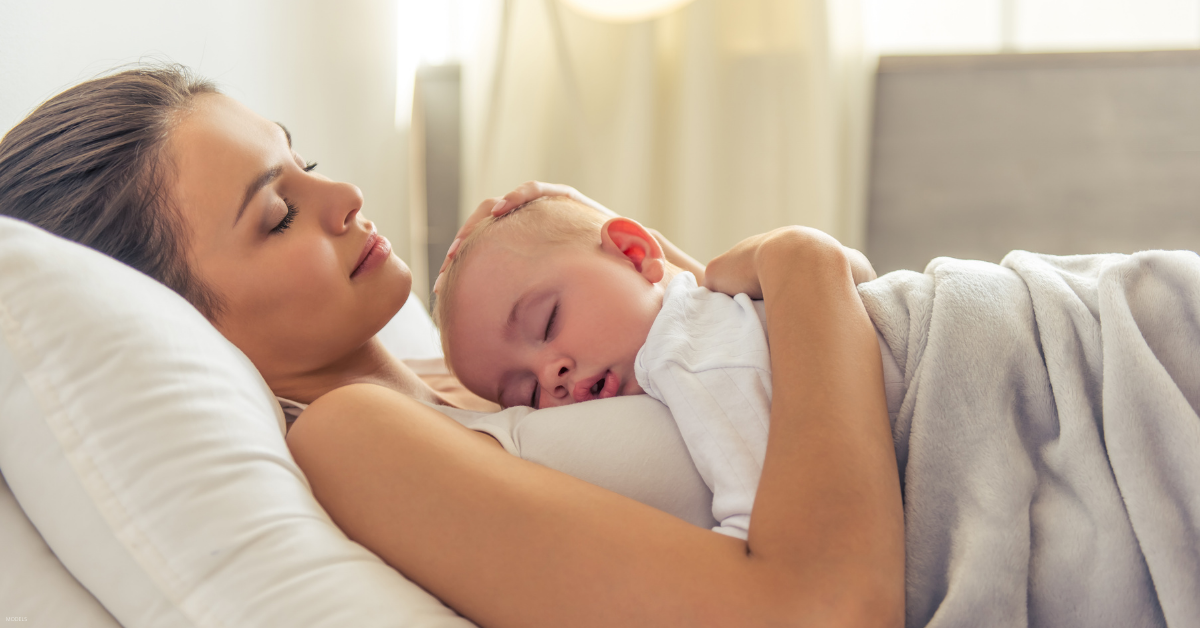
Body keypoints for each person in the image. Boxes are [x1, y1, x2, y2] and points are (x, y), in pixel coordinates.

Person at [0, 65, 903, 626]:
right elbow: (816, 612)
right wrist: (804, 261)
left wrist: (604, 249)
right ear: (181, 323)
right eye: (278, 216)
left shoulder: (458, 398)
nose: (346, 195)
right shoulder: (353, 440)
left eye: (303, 163)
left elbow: (735, 375)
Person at [433, 195, 889, 541]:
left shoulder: (685, 356)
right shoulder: (713, 306)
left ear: (633, 253)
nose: (551, 376)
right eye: (526, 395)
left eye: (548, 320)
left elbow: (777, 531)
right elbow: (861, 281)